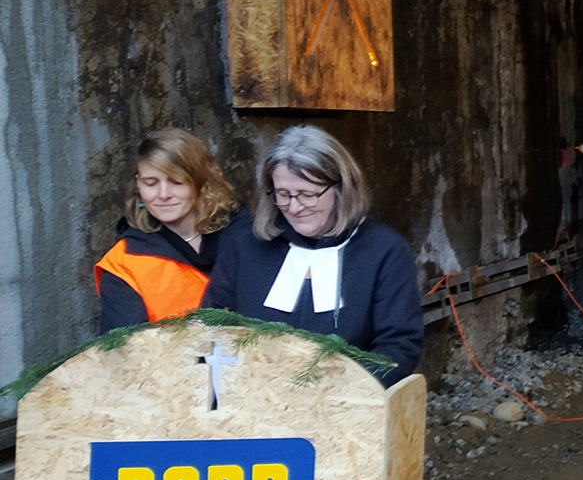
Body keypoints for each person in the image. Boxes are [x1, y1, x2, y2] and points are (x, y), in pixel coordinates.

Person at [203, 125, 424, 385]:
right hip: (252, 402)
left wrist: (336, 390)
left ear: (341, 188)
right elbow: (212, 324)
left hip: (347, 404)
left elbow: (398, 347)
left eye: (307, 195)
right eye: (283, 195)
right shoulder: (243, 245)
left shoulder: (384, 250)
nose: (294, 207)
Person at [95, 128, 241, 330]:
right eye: (151, 183)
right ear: (138, 184)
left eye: (176, 181)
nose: (163, 194)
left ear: (201, 182)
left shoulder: (244, 235)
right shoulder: (123, 263)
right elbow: (126, 352)